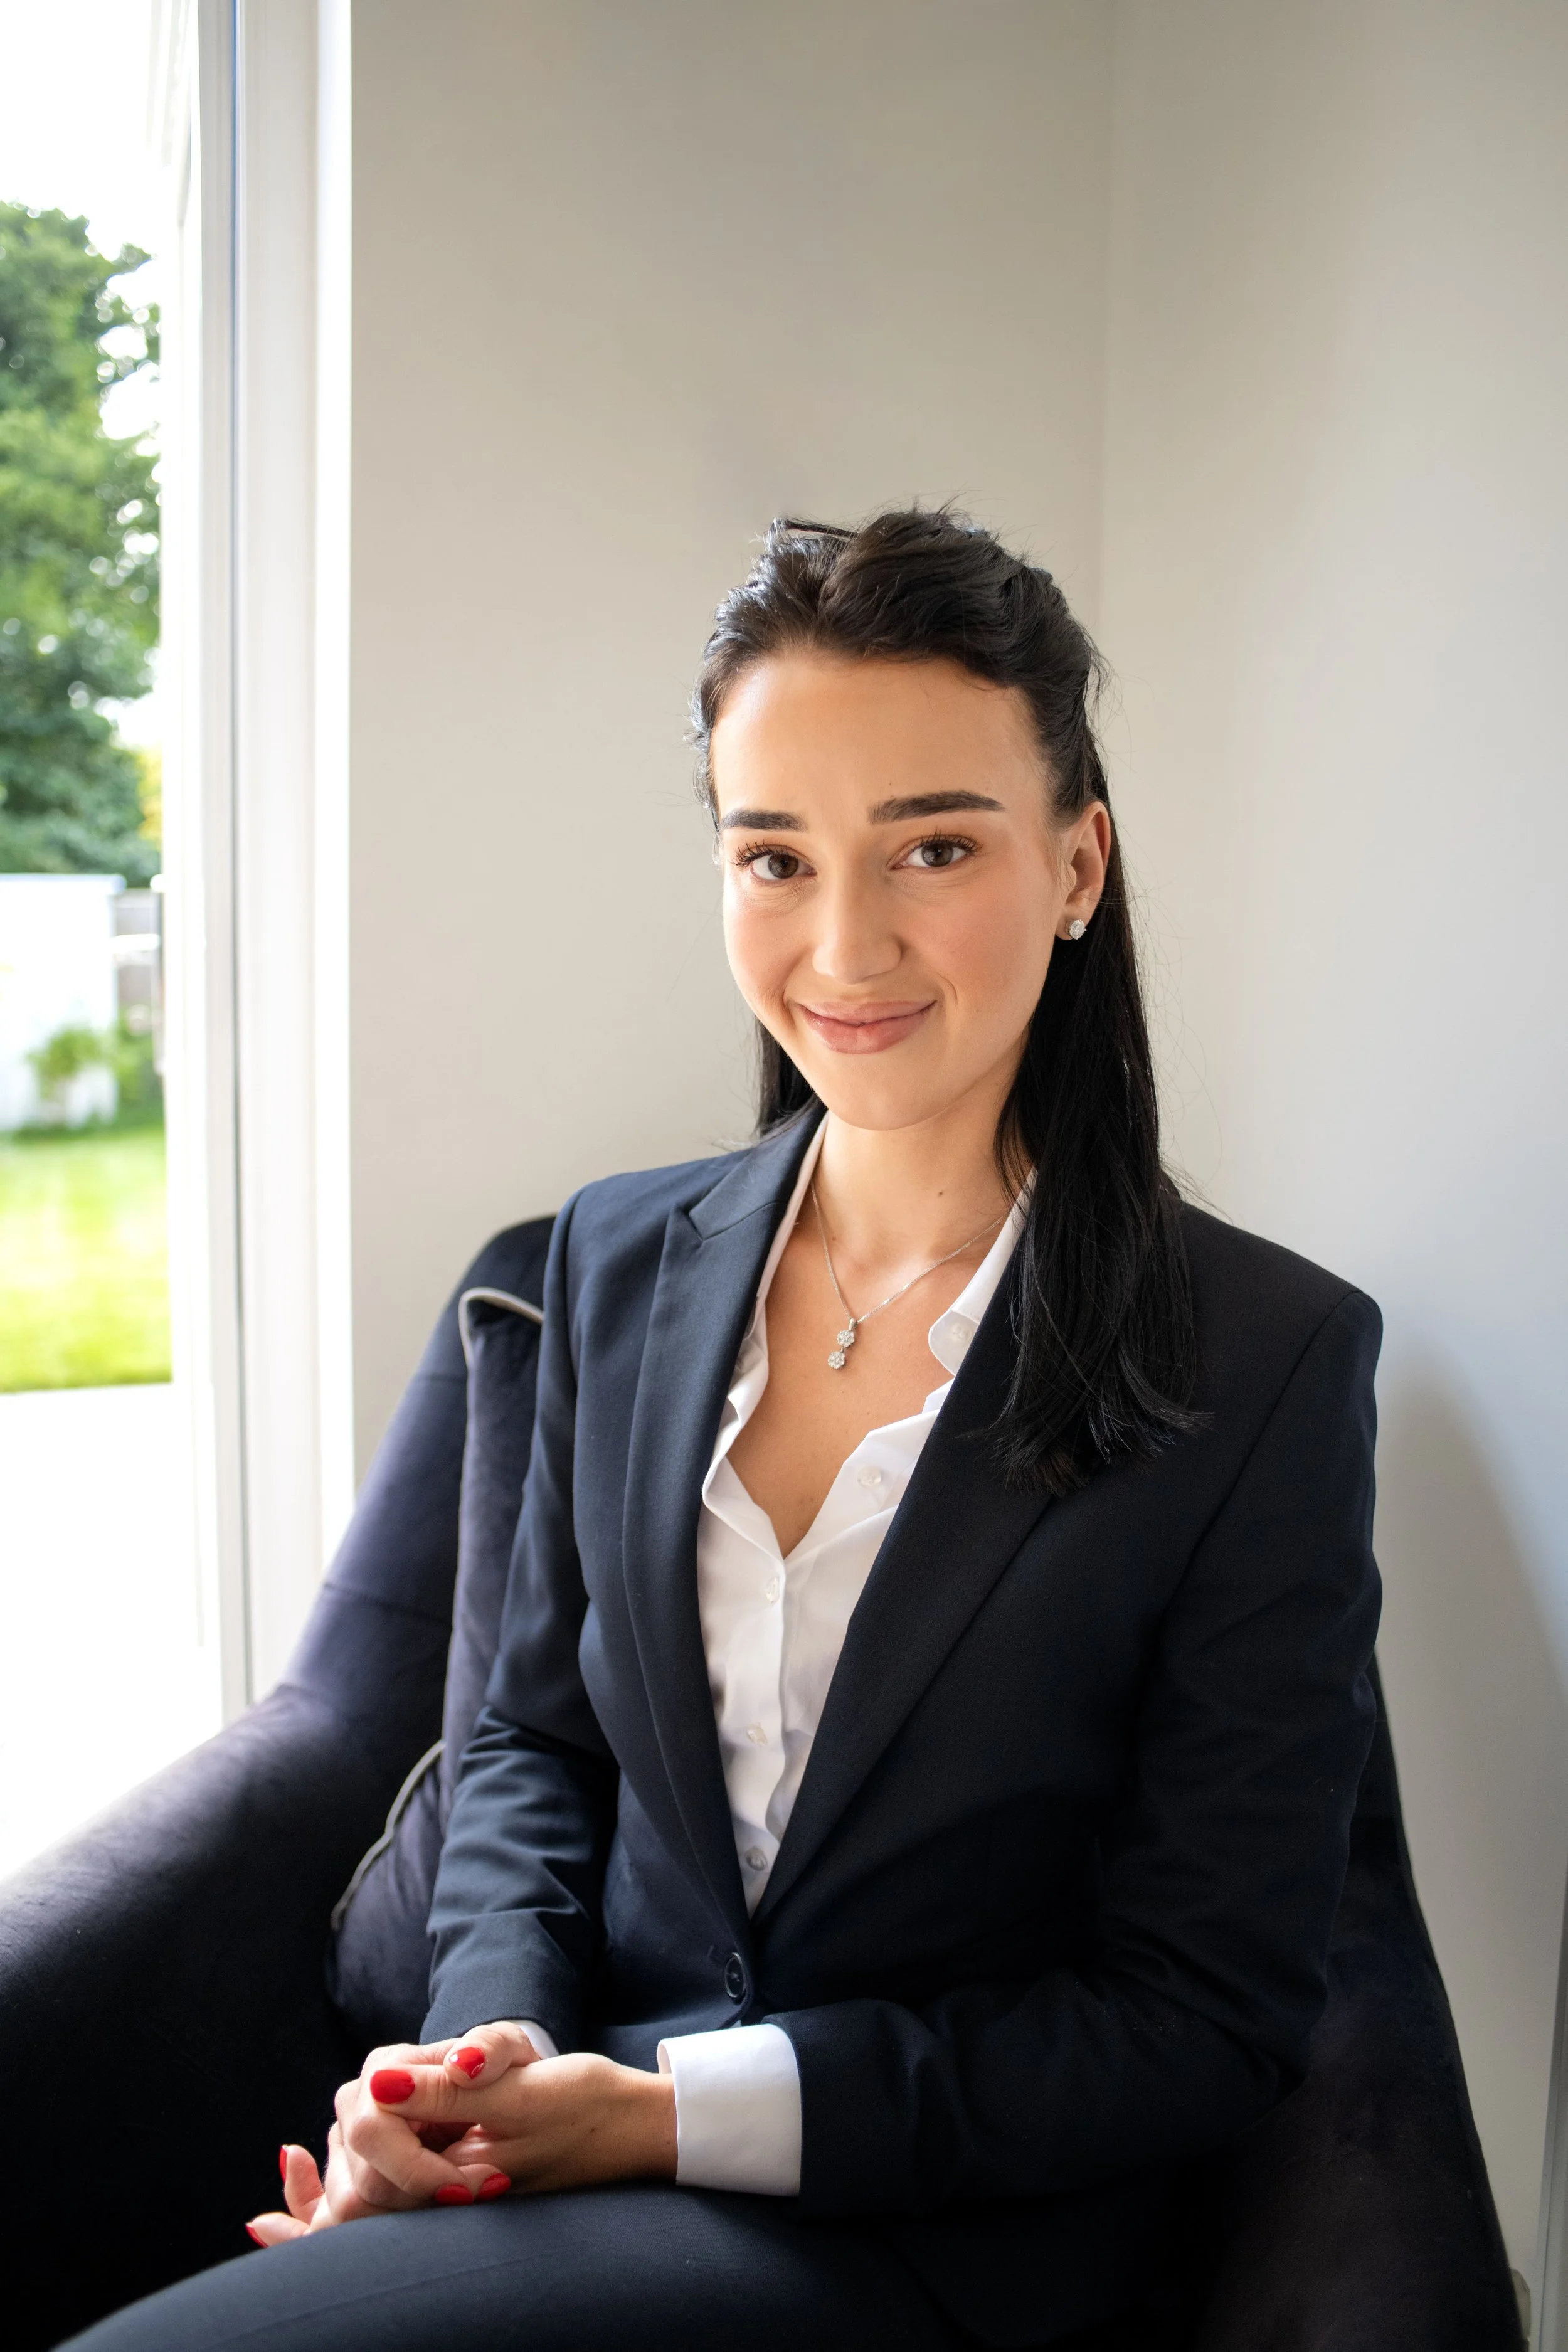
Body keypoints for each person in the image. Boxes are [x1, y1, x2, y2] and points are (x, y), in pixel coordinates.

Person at [69, 511, 1380, 2350]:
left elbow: (1200, 2012)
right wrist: (477, 2063)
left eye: (935, 842)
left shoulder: (1266, 1355)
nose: (846, 942)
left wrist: (671, 2114)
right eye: (774, 855)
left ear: (1078, 862)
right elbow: (529, 1735)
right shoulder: (616, 1254)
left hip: (933, 2227)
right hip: (581, 2138)